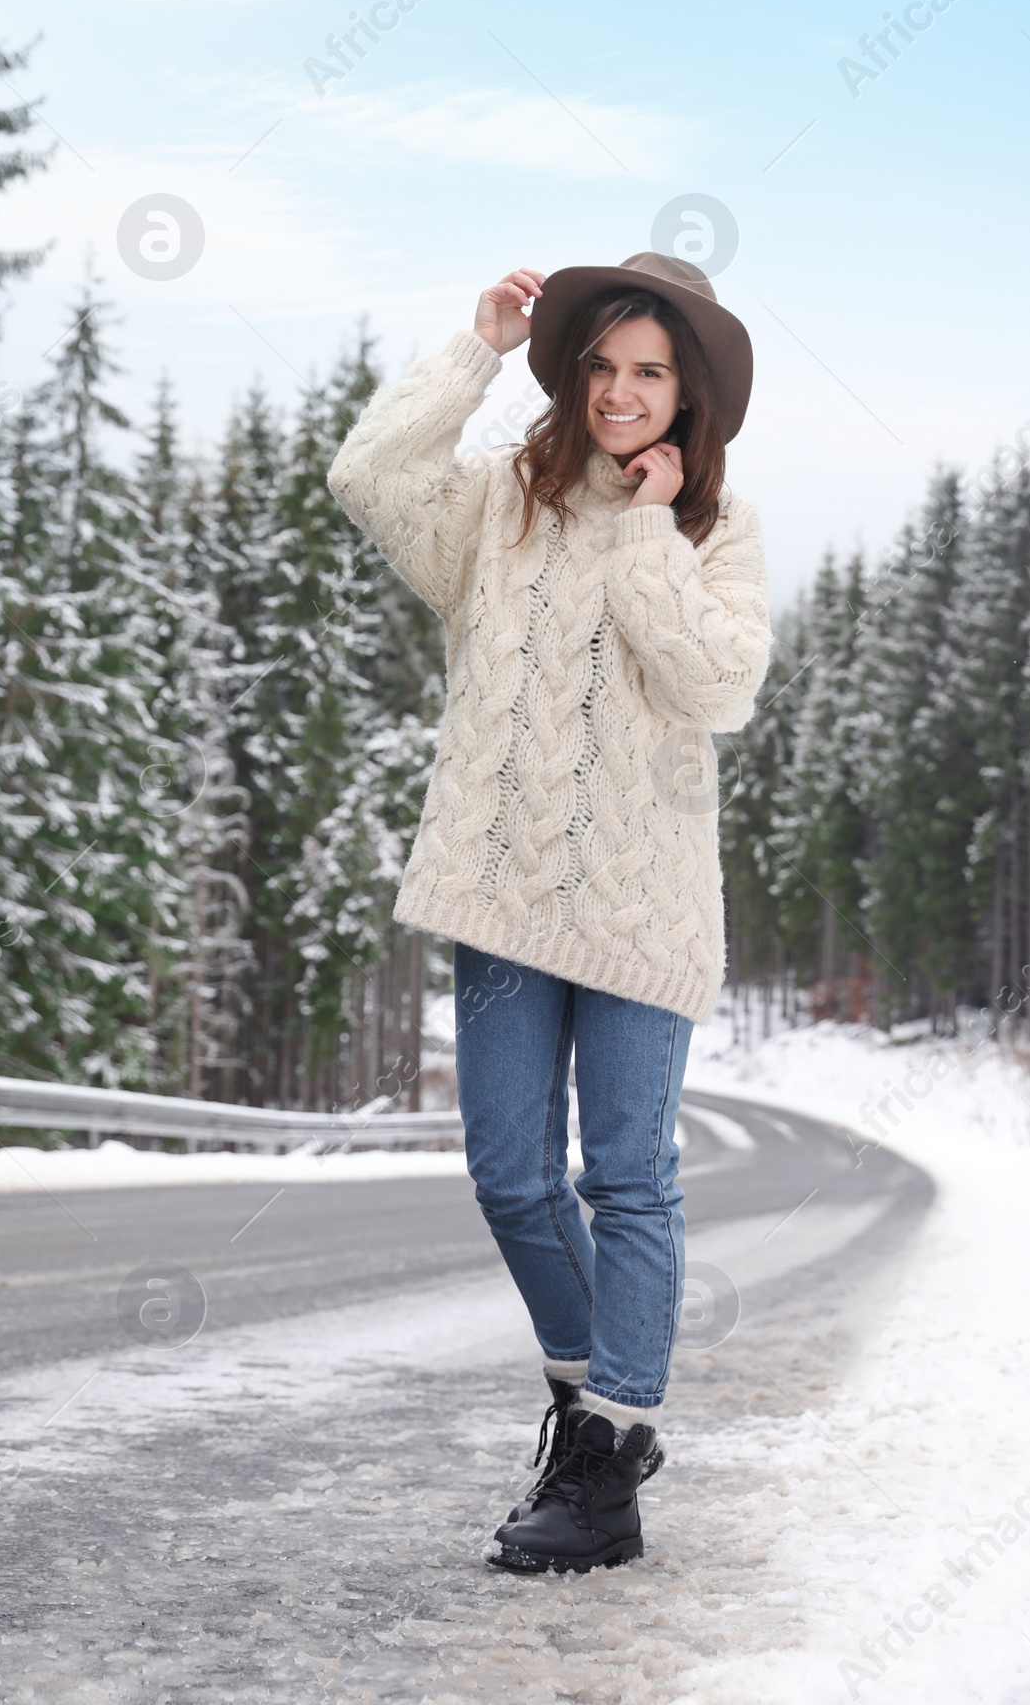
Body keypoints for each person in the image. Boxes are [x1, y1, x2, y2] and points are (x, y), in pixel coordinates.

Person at [327, 250, 771, 1575]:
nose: (625, 392)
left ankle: (608, 1458)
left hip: (644, 915)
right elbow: (366, 479)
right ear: (573, 371)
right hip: (503, 898)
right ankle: (598, 1416)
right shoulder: (499, 508)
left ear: (685, 396)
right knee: (513, 1177)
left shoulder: (715, 528)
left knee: (625, 1180)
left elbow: (714, 686)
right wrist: (472, 349)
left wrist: (647, 526)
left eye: (653, 373)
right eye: (606, 365)